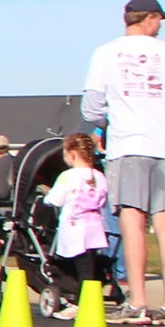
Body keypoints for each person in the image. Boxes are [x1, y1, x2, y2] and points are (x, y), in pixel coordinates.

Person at [84, 0, 165, 326]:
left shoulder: (105, 53)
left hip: (127, 146)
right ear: (151, 18)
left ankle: (138, 302)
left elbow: (92, 108)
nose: (160, 27)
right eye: (159, 20)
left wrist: (107, 125)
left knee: (132, 223)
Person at [44, 130, 113, 315]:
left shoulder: (68, 176)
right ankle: (87, 298)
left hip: (74, 228)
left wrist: (46, 197)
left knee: (75, 267)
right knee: (88, 265)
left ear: (72, 153)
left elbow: (55, 200)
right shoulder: (99, 176)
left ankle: (81, 302)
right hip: (94, 227)